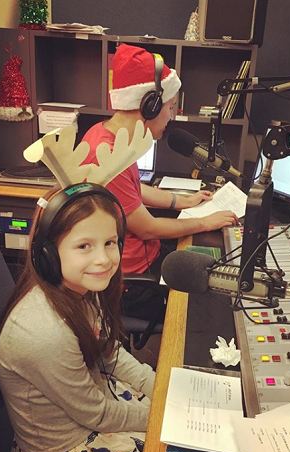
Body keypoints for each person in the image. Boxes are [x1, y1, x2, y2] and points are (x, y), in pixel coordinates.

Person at [0, 183, 155, 452]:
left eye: (110, 242)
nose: (104, 259)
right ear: (48, 255)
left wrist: (160, 386)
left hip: (90, 402)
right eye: (84, 246)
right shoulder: (44, 333)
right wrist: (160, 412)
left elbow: (111, 355)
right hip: (66, 448)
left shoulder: (79, 290)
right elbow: (94, 415)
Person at [82, 44, 239, 320]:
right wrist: (206, 221)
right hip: (131, 281)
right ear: (149, 106)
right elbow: (147, 228)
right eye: (169, 107)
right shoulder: (107, 156)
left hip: (141, 260)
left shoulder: (108, 136)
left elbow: (133, 191)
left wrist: (181, 200)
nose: (171, 116)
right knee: (207, 302)